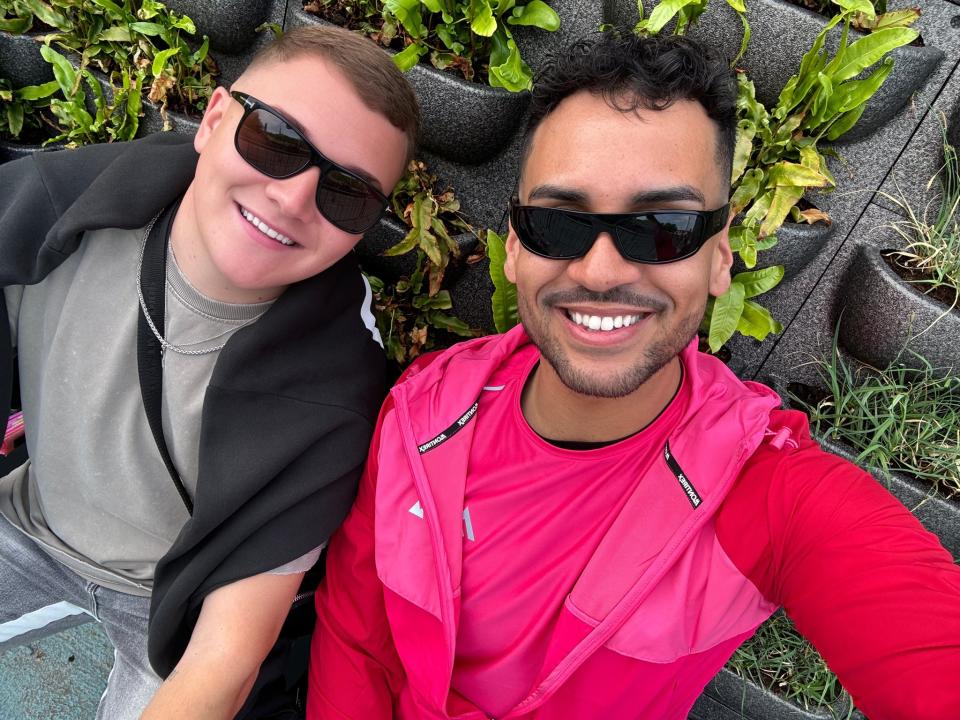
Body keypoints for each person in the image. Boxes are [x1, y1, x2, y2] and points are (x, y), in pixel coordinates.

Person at [307, 31, 960, 720]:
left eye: (662, 226)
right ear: (514, 249)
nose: (601, 270)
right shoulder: (425, 404)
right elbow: (357, 637)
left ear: (719, 255)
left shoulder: (770, 497)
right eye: (559, 223)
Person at [0, 24, 418, 719]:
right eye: (277, 143)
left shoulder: (334, 389)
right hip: (22, 527)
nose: (293, 198)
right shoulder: (49, 210)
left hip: (161, 622)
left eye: (346, 193)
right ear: (216, 119)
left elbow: (225, 656)